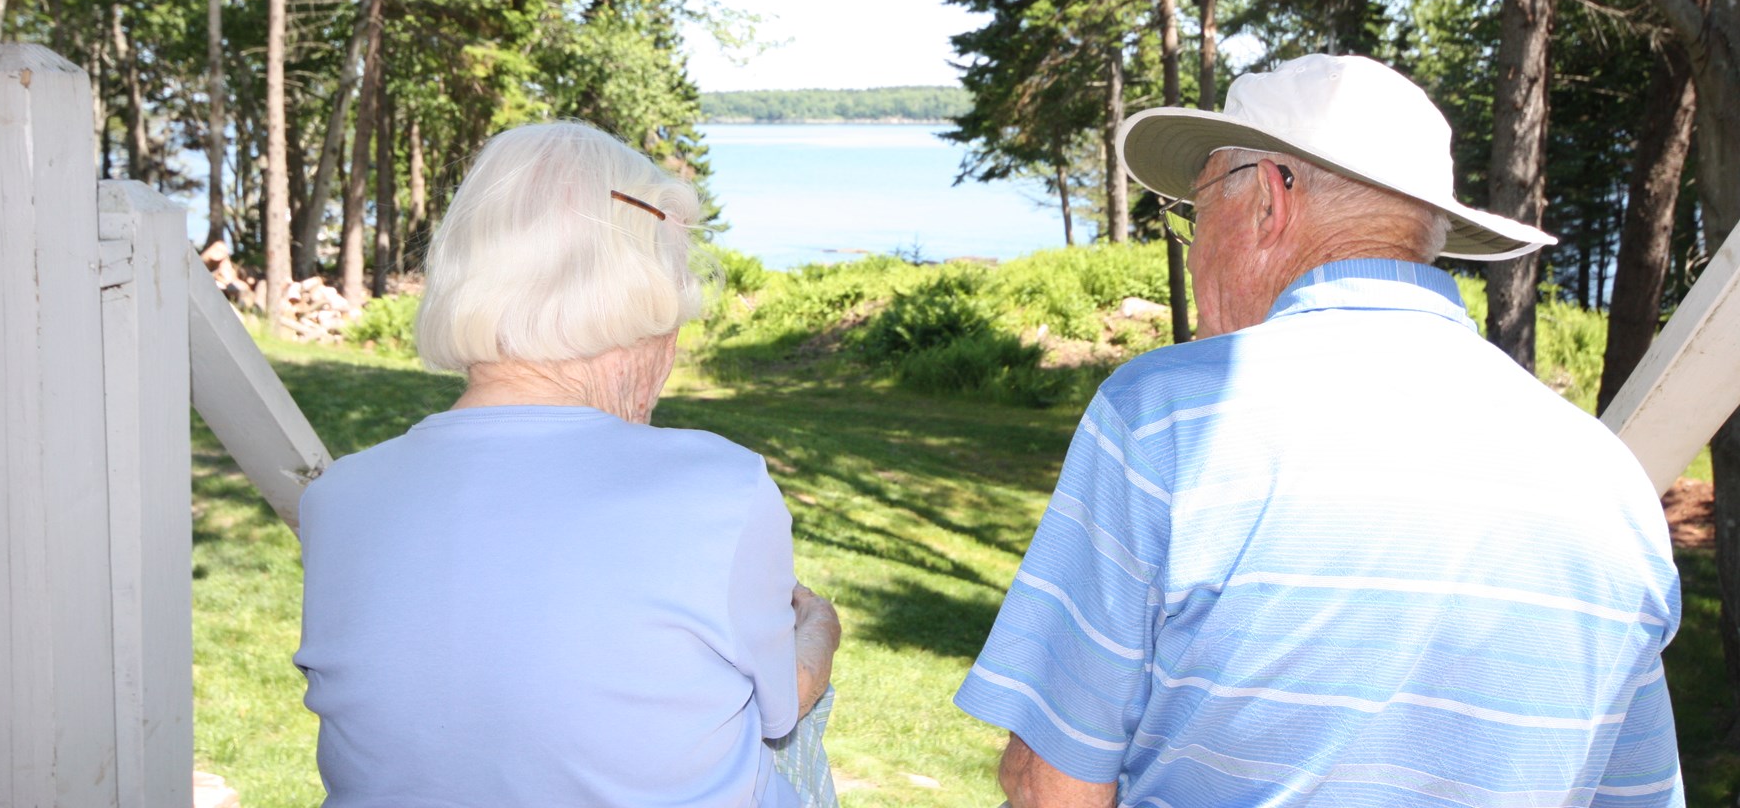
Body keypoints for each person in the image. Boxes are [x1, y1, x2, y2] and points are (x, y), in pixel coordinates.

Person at [955, 54, 1682, 807]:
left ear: (1269, 198)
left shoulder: (1164, 420)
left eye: (1195, 216)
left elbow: (1052, 787)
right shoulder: (1609, 480)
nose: (1196, 251)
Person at [295, 121, 842, 808]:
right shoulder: (720, 489)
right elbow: (778, 708)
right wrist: (819, 631)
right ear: (641, 307)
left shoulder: (339, 497)